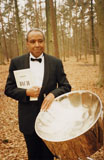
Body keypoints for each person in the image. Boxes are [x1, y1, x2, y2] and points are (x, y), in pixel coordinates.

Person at [4, 28, 71, 160]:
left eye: (40, 41)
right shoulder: (16, 62)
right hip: (28, 119)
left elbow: (66, 86)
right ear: (27, 43)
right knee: (33, 155)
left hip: (50, 118)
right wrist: (26, 92)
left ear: (44, 42)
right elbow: (8, 89)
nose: (37, 44)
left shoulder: (55, 62)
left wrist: (53, 94)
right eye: (33, 41)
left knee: (48, 155)